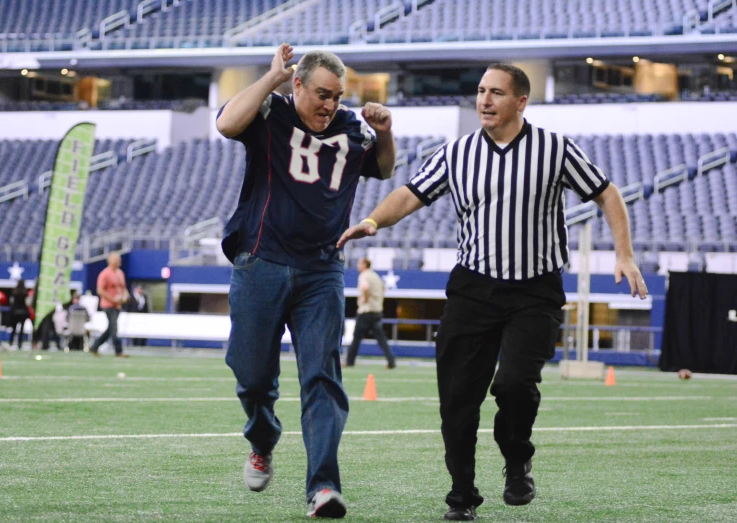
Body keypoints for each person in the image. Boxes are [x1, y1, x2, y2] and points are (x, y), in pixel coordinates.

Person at [337, 63, 647, 521]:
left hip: (534, 291)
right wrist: (373, 220)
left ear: (520, 101)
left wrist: (624, 253)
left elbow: (607, 193)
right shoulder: (457, 152)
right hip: (473, 289)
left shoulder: (554, 148)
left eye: (496, 92)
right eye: (481, 91)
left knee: (515, 384)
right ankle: (462, 497)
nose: (484, 99)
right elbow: (410, 193)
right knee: (457, 402)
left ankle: (517, 457)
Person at [216, 43, 396, 518]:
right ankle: (262, 437)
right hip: (261, 262)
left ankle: (323, 486)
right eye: (321, 94)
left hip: (322, 269)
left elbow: (383, 167)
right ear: (297, 84)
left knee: (323, 377)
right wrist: (270, 78)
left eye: (337, 96)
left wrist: (386, 132)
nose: (329, 105)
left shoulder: (352, 129)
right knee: (252, 376)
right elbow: (226, 124)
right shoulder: (269, 111)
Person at [344, 257, 396, 369]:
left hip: (366, 311)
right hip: (377, 310)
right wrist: (378, 300)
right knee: (381, 338)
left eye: (359, 263)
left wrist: (365, 299)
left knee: (356, 337)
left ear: (364, 265)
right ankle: (391, 361)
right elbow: (383, 288)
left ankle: (349, 361)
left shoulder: (364, 275)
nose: (358, 266)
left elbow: (365, 287)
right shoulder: (375, 275)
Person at [89, 252, 128, 357]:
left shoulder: (120, 273)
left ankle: (94, 347)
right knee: (114, 328)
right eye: (117, 259)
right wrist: (112, 299)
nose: (119, 261)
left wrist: (125, 297)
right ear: (110, 260)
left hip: (118, 305)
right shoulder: (105, 274)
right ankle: (118, 351)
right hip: (108, 305)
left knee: (110, 329)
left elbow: (124, 289)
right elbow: (100, 290)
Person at [9, 280, 32, 349]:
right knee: (21, 329)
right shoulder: (25, 293)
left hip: (15, 312)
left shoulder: (14, 292)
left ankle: (11, 342)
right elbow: (28, 303)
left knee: (14, 328)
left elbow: (11, 301)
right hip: (23, 312)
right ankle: (20, 343)